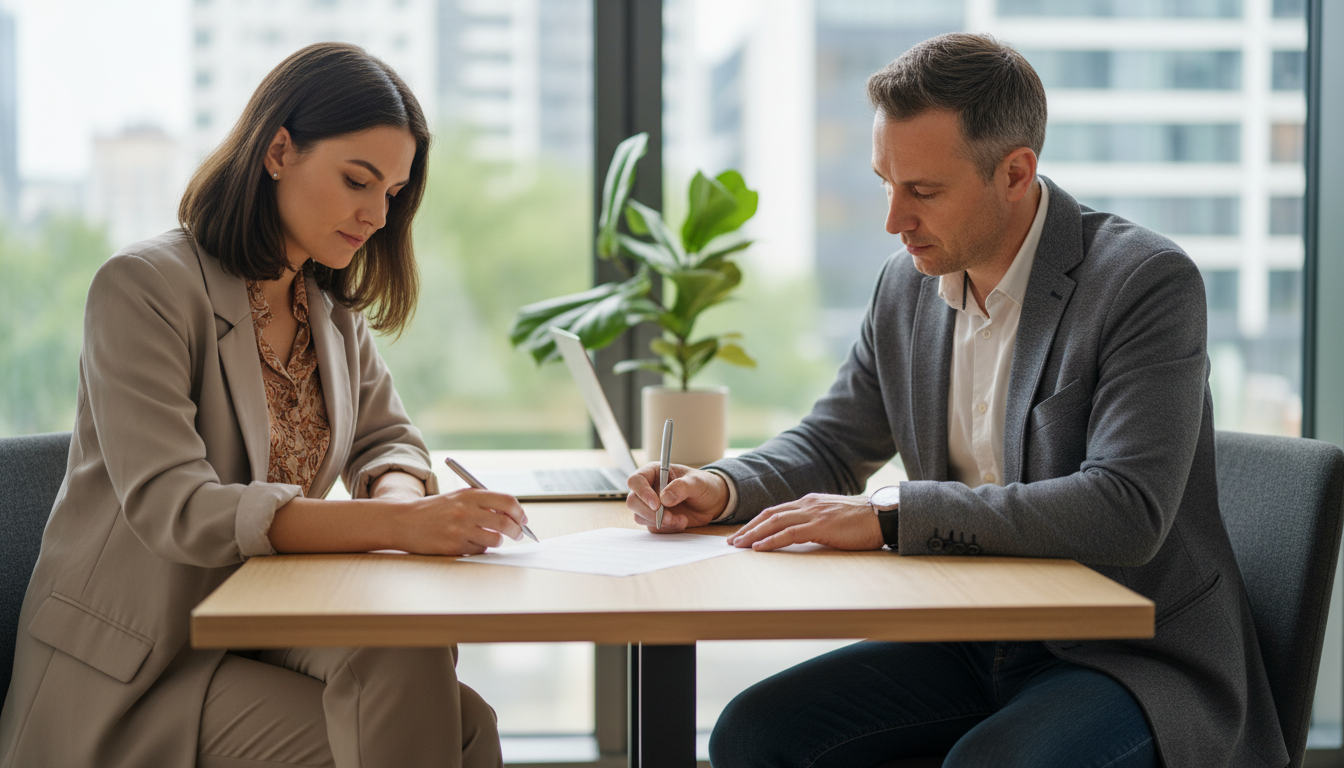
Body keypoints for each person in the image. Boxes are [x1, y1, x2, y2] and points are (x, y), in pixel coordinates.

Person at [626, 33, 1287, 768]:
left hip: (1129, 655)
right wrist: (719, 486)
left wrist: (889, 517)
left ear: (1015, 172)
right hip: (973, 637)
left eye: (923, 191)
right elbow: (832, 444)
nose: (892, 219)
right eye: (885, 182)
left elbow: (1125, 508)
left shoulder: (1144, 283)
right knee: (754, 734)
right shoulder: (905, 286)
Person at [0, 43, 524, 768]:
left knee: (436, 683)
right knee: (438, 733)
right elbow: (177, 505)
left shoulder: (328, 307)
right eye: (357, 180)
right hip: (147, 664)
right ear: (279, 150)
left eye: (393, 194)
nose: (376, 213)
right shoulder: (142, 288)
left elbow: (388, 438)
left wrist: (401, 496)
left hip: (261, 616)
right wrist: (401, 523)